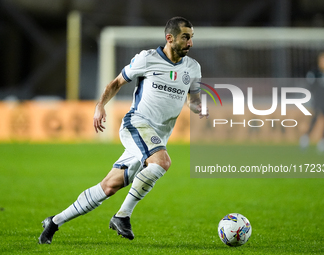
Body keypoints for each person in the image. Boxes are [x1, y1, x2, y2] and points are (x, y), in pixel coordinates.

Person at [38, 16, 207, 244]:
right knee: (161, 162)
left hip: (155, 137)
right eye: (186, 37)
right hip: (136, 124)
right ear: (170, 38)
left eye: (192, 37)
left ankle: (54, 222)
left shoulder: (193, 68)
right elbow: (116, 82)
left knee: (109, 186)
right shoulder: (147, 59)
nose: (190, 43)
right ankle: (122, 216)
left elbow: (193, 100)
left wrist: (201, 108)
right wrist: (100, 106)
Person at [299, 52, 324, 152]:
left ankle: (322, 142)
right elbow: (310, 86)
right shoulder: (314, 73)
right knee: (315, 119)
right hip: (317, 100)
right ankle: (305, 138)